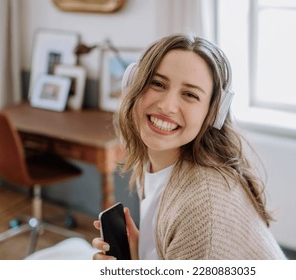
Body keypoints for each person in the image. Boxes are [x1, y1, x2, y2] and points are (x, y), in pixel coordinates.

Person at [92, 34, 286, 260]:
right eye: (157, 84)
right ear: (134, 83)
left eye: (190, 94)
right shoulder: (160, 163)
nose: (166, 105)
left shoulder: (202, 207)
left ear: (214, 113)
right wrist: (137, 256)